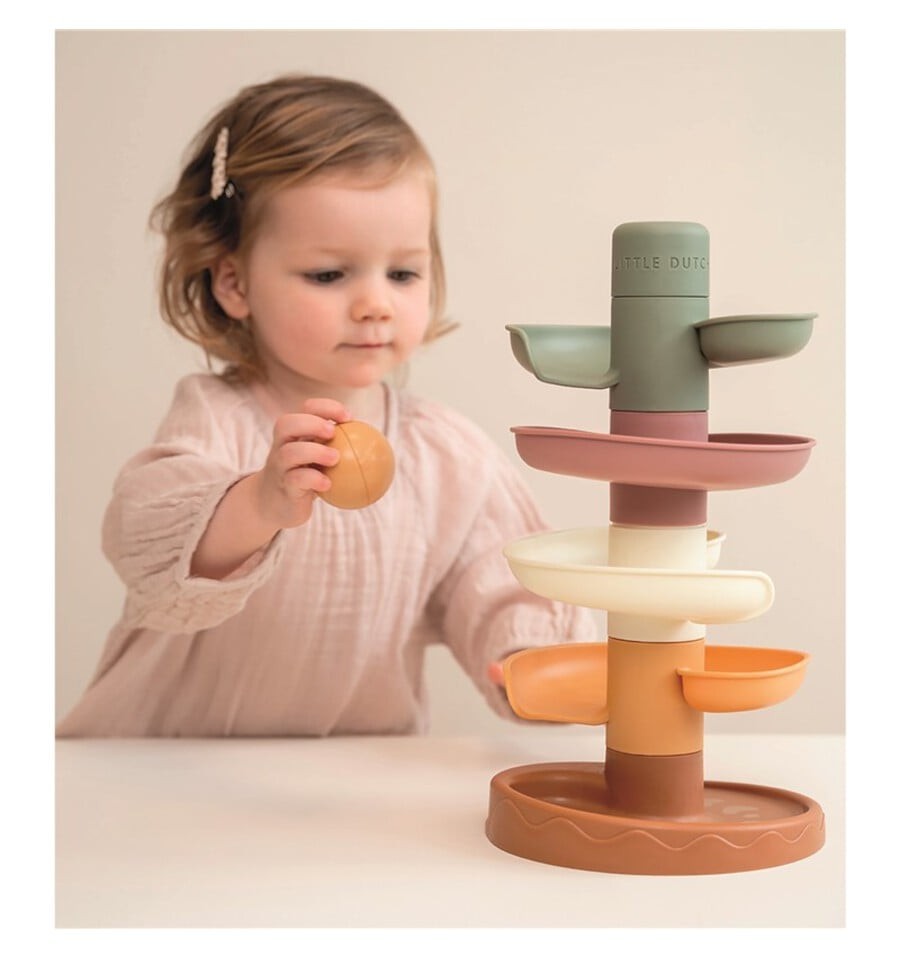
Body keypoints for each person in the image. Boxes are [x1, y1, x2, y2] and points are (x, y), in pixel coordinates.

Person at [57, 74, 595, 737]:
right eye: (329, 274)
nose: (375, 303)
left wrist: (532, 666)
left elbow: (502, 583)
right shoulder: (218, 417)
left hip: (342, 775)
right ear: (234, 282)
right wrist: (258, 503)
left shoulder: (445, 454)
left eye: (403, 273)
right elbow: (142, 538)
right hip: (167, 764)